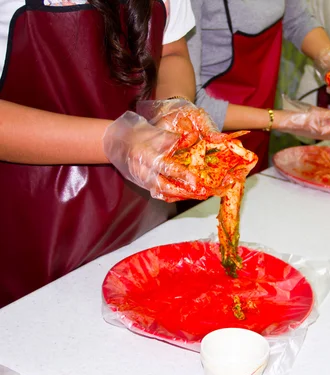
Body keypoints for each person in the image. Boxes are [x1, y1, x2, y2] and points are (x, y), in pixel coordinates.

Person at [0, 0, 214, 307]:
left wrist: (173, 105)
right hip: (30, 238)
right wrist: (116, 139)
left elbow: (172, 51)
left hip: (142, 219)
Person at [185, 0, 330, 176]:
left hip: (259, 123)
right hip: (204, 141)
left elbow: (298, 19)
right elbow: (189, 106)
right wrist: (286, 120)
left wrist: (328, 56)